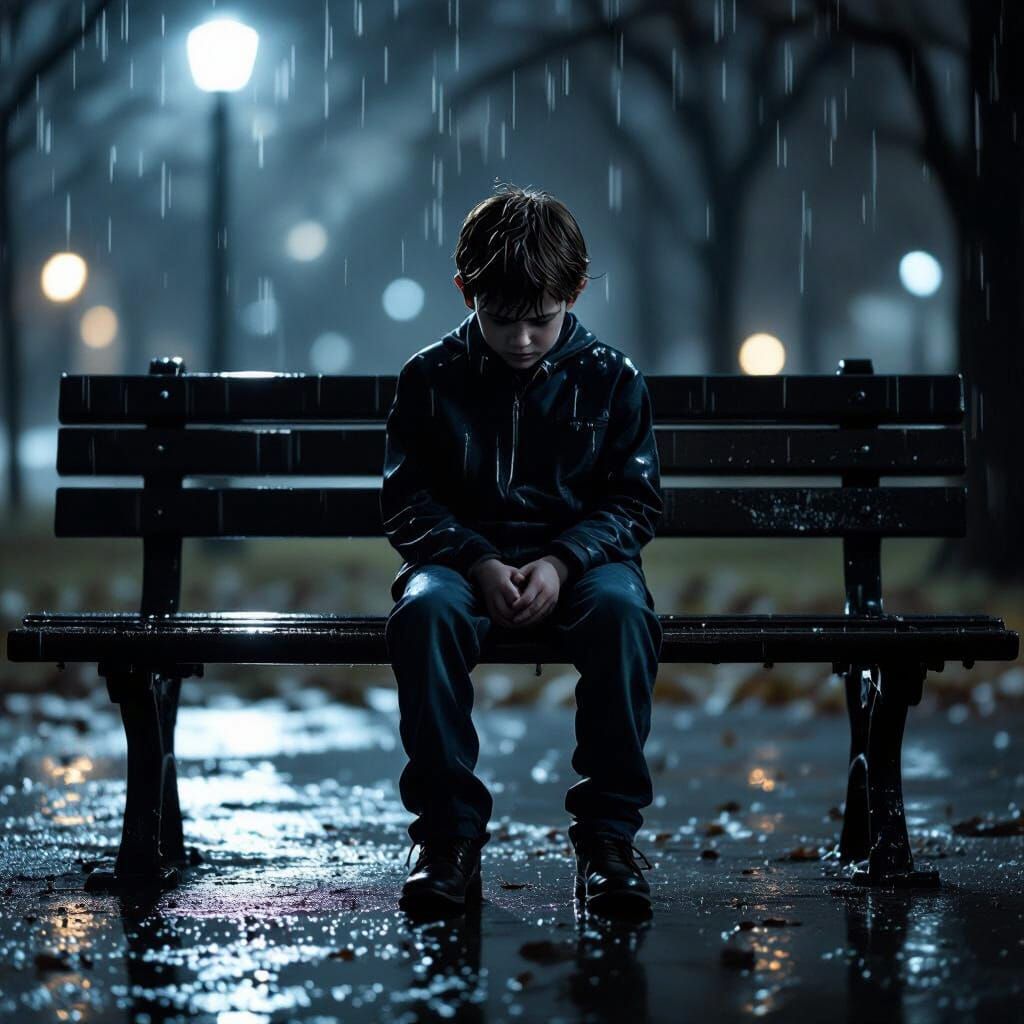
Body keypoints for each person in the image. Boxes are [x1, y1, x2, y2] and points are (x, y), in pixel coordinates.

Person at [380, 182, 663, 917]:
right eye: (502, 319)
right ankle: (447, 838)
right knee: (426, 610)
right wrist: (475, 557)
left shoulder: (611, 379)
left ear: (573, 292)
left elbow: (634, 501)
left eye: (541, 319)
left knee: (624, 613)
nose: (524, 339)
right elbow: (407, 500)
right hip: (458, 566)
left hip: (585, 565)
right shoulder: (431, 378)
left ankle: (608, 839)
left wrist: (564, 559)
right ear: (465, 292)